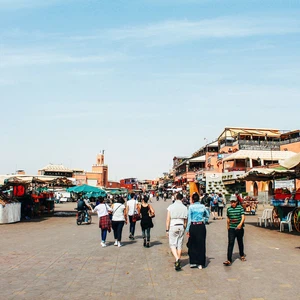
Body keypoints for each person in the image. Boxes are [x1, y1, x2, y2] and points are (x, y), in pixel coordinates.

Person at [186, 192, 209, 269]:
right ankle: (200, 263)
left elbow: (189, 219)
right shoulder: (203, 206)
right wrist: (204, 220)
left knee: (192, 244)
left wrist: (187, 230)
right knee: (201, 244)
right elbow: (207, 215)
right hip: (201, 226)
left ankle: (193, 261)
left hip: (193, 226)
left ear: (192, 199)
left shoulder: (191, 207)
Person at [166, 193, 188, 271]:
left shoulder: (170, 207)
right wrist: (185, 227)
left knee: (172, 244)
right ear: (182, 199)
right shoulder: (185, 207)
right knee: (179, 244)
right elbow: (186, 220)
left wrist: (167, 229)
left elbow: (168, 219)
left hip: (173, 226)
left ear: (175, 198)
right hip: (181, 225)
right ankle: (178, 259)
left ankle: (177, 258)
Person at [223, 198, 246, 266]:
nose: (233, 203)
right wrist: (228, 226)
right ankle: (229, 259)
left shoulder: (240, 208)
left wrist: (240, 224)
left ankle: (241, 255)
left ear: (236, 202)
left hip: (239, 228)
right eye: (232, 202)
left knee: (240, 242)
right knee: (230, 243)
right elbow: (228, 218)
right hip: (231, 228)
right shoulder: (229, 209)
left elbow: (243, 217)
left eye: (234, 202)